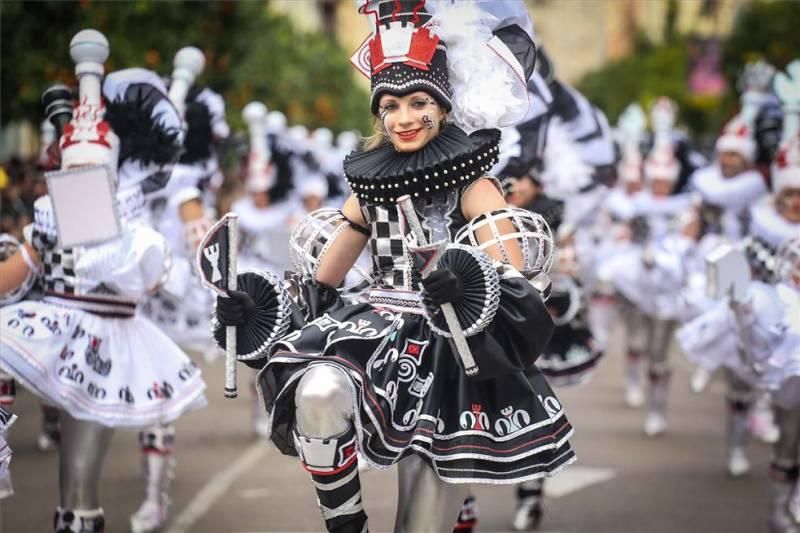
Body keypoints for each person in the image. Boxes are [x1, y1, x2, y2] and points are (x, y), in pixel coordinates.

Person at [215, 2, 574, 531]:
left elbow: (512, 273)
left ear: (444, 107)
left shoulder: (474, 184)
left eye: (418, 102)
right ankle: (345, 522)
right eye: (391, 106)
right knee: (317, 391)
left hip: (453, 350)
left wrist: (466, 277)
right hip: (374, 334)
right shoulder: (372, 187)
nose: (403, 118)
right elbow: (317, 285)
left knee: (420, 525)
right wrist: (250, 306)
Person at [0, 31, 206, 531]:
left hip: (106, 348)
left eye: (91, 162)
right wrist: (38, 246)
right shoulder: (48, 217)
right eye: (73, 164)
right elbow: (8, 282)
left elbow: (150, 280)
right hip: (53, 331)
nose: (81, 170)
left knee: (78, 487)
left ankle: (151, 499)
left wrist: (108, 240)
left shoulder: (136, 233)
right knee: (70, 486)